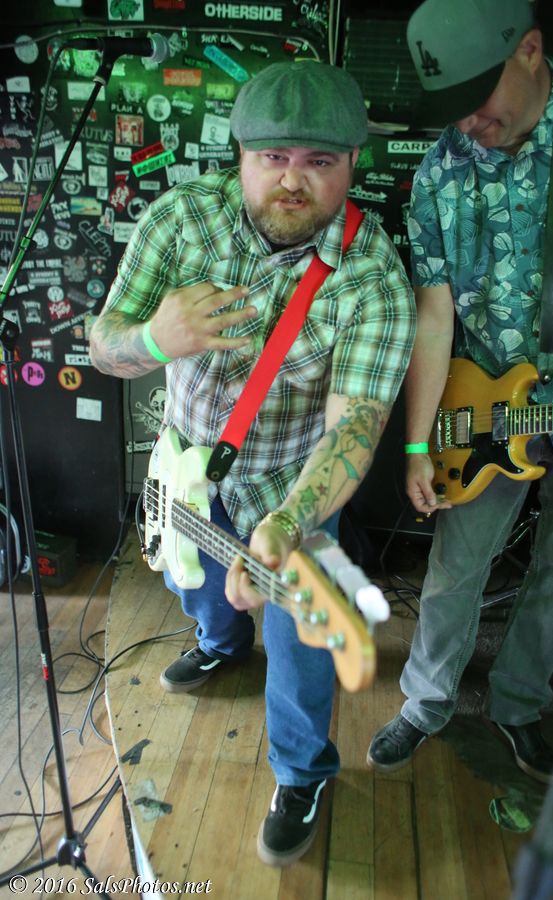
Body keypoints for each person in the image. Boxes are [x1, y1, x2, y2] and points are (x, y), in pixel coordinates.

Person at [89, 61, 416, 866]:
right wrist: (153, 339)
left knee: (303, 642)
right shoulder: (180, 221)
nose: (293, 181)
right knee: (194, 583)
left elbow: (356, 428)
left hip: (293, 487)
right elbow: (104, 347)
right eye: (273, 158)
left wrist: (288, 524)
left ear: (353, 163)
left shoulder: (373, 278)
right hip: (183, 465)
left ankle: (302, 774)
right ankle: (220, 642)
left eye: (319, 161)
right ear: (239, 154)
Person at [367, 0, 553, 785]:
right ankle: (426, 701)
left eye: (479, 97)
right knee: (456, 566)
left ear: (530, 50)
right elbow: (434, 317)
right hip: (484, 407)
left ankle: (519, 704)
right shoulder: (441, 170)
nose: (467, 122)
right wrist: (416, 442)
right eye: (452, 106)